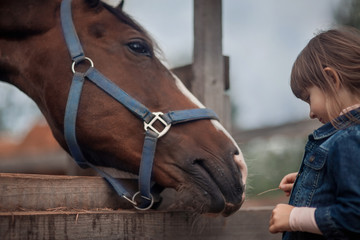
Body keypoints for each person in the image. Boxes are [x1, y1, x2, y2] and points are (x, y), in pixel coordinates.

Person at [269, 26, 360, 239]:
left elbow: (355, 216)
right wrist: (315, 183)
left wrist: (294, 217)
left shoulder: (349, 139)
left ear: (331, 80)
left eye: (309, 98)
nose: (310, 113)